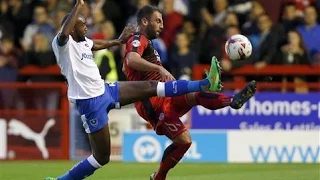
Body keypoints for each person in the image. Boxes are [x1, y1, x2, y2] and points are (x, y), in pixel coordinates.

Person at [44, 1, 222, 180]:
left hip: (105, 90)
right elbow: (64, 32)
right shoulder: (61, 44)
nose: (86, 28)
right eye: (82, 25)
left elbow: (94, 44)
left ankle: (205, 83)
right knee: (102, 157)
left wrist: (117, 41)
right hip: (90, 102)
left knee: (151, 86)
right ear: (72, 28)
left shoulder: (83, 42)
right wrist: (78, 6)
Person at [123, 5, 257, 180]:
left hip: (165, 94)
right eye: (158, 21)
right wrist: (159, 69)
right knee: (184, 141)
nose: (162, 25)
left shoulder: (147, 42)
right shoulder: (138, 38)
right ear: (144, 21)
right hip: (152, 103)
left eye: (162, 21)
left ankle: (232, 101)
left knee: (197, 95)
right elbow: (132, 59)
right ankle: (159, 177)